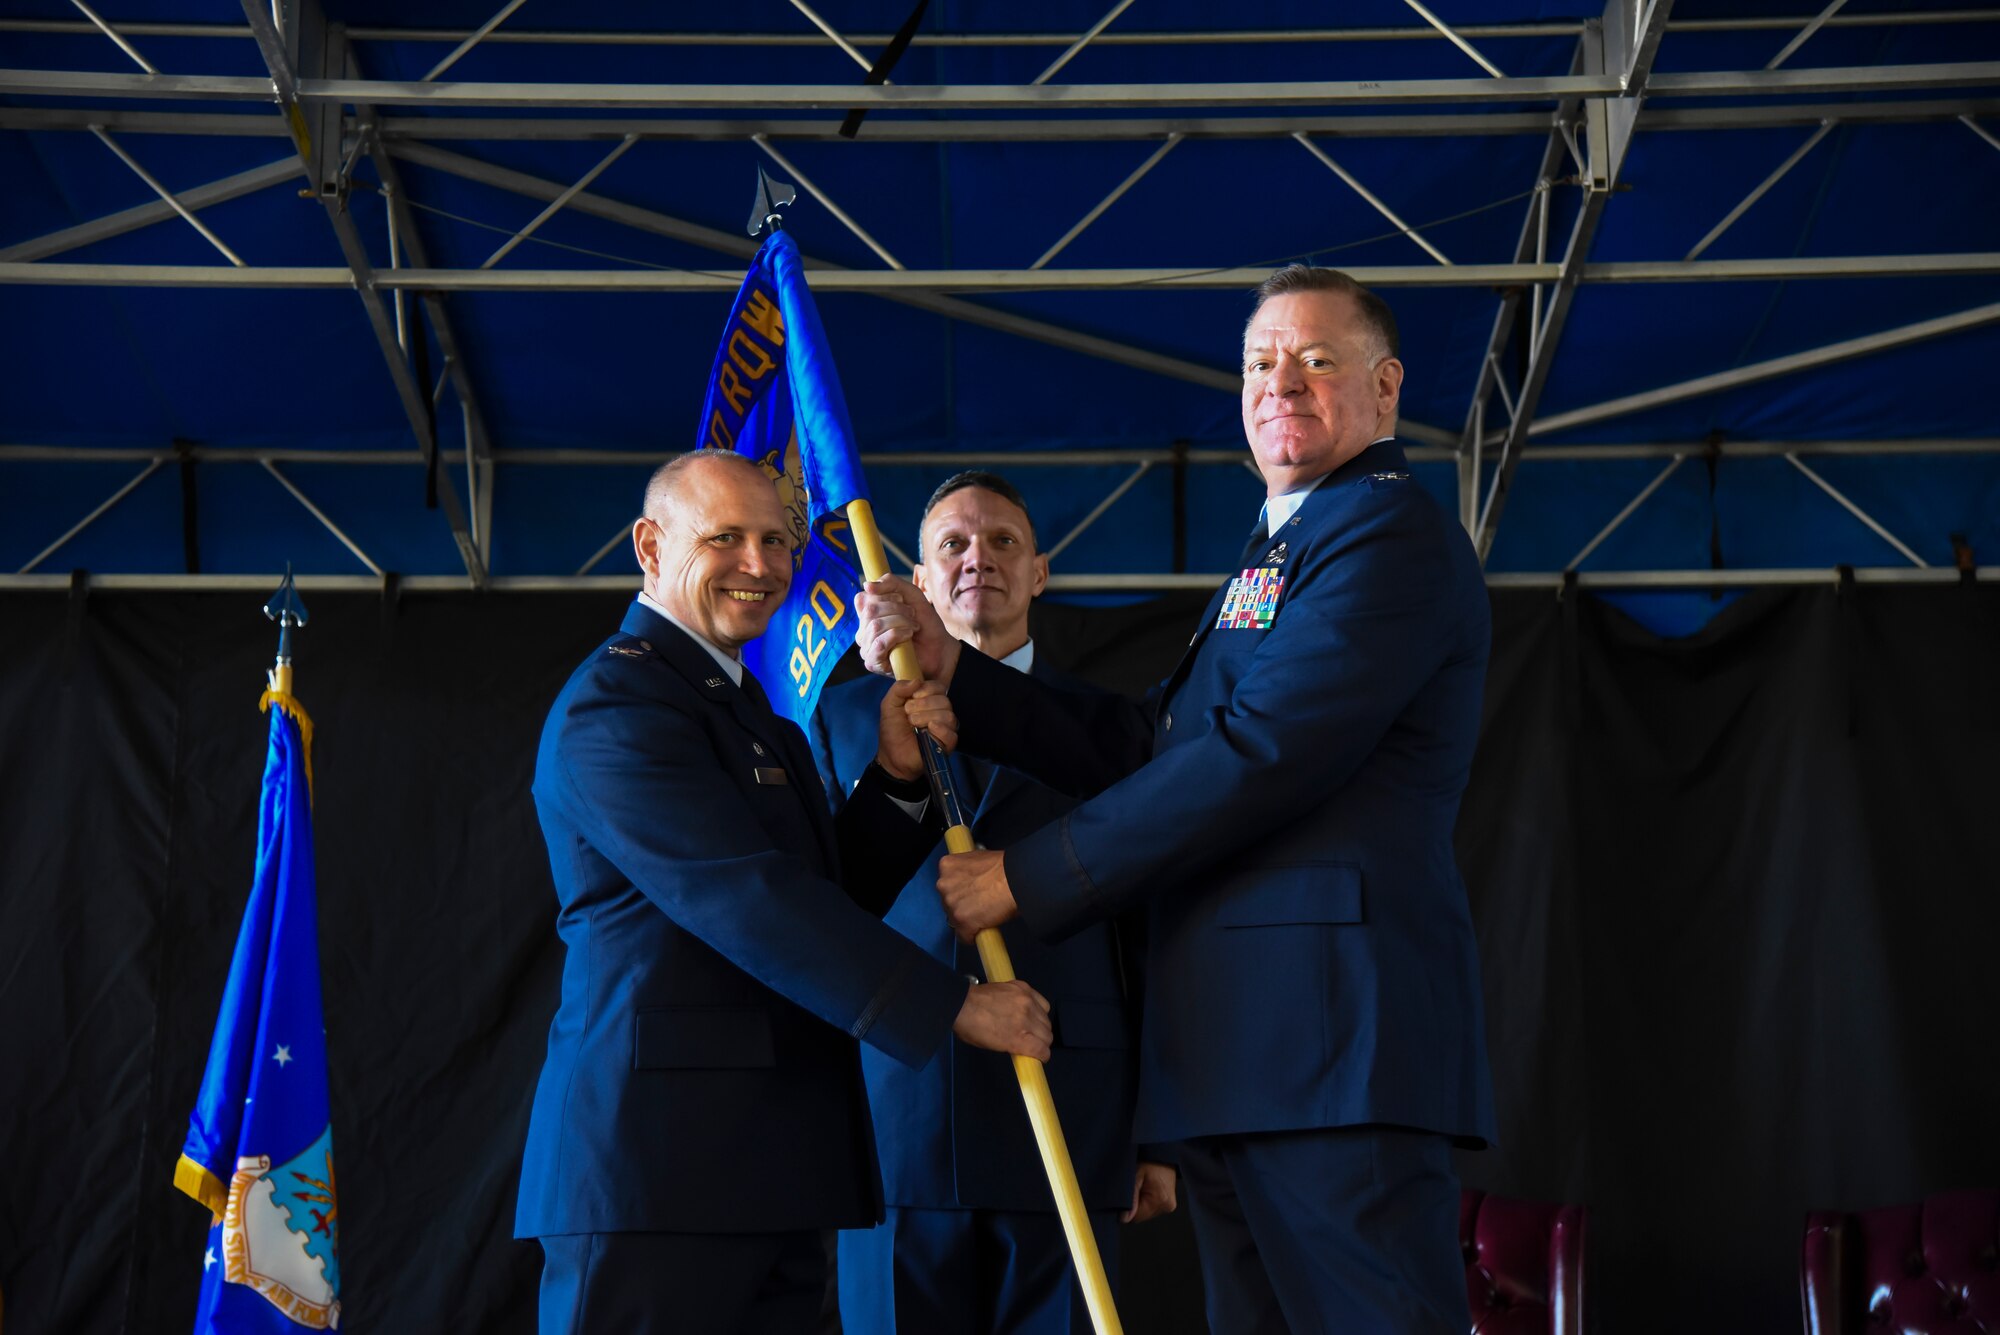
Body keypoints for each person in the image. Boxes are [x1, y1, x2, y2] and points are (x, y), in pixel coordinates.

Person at [856, 267, 1496, 1333]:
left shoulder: (1388, 537)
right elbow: (1155, 745)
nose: (1277, 383)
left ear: (1384, 391)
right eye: (1258, 363)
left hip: (1331, 1053)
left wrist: (1022, 876)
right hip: (1248, 1064)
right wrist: (959, 678)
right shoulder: (1286, 546)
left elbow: (1260, 753)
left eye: (1313, 360)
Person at [515, 449, 1055, 1335]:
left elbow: (822, 891)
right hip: (655, 1175)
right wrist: (953, 1001)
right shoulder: (614, 705)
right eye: (724, 537)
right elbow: (747, 901)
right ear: (651, 547)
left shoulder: (747, 709)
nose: (760, 565)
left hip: (775, 1169)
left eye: (776, 539)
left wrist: (893, 778)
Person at [808, 471, 1177, 1334]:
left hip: (1066, 1117)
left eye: (1004, 541)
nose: (981, 559)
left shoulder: (1113, 732)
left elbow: (1149, 927)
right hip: (899, 1122)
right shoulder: (839, 720)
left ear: (1040, 571)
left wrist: (1159, 1134)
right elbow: (819, 915)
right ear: (921, 581)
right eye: (955, 545)